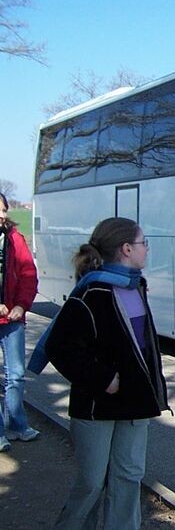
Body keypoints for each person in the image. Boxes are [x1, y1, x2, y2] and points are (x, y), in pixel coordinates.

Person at [45, 217, 169, 529]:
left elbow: (143, 349)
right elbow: (60, 348)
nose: (147, 249)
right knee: (92, 482)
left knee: (128, 477)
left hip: (134, 404)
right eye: (143, 243)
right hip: (96, 407)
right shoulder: (92, 292)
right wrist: (103, 379)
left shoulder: (135, 285)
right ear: (127, 249)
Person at [0, 192, 39, 452]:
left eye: (3, 210)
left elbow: (28, 274)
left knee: (16, 375)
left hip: (12, 318)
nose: (2, 215)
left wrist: (21, 305)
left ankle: (17, 425)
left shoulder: (15, 239)